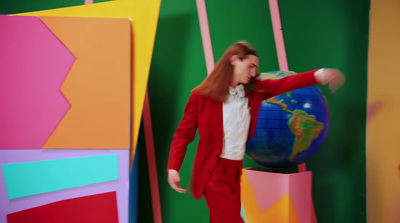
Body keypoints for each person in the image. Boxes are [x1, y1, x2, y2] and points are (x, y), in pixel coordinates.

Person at [167, 41, 345, 223]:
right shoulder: (201, 96)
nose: (253, 73)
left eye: (255, 68)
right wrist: (173, 167)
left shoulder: (254, 92)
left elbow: (286, 83)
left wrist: (318, 74)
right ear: (235, 60)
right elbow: (183, 134)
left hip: (235, 170)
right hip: (213, 172)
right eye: (250, 66)